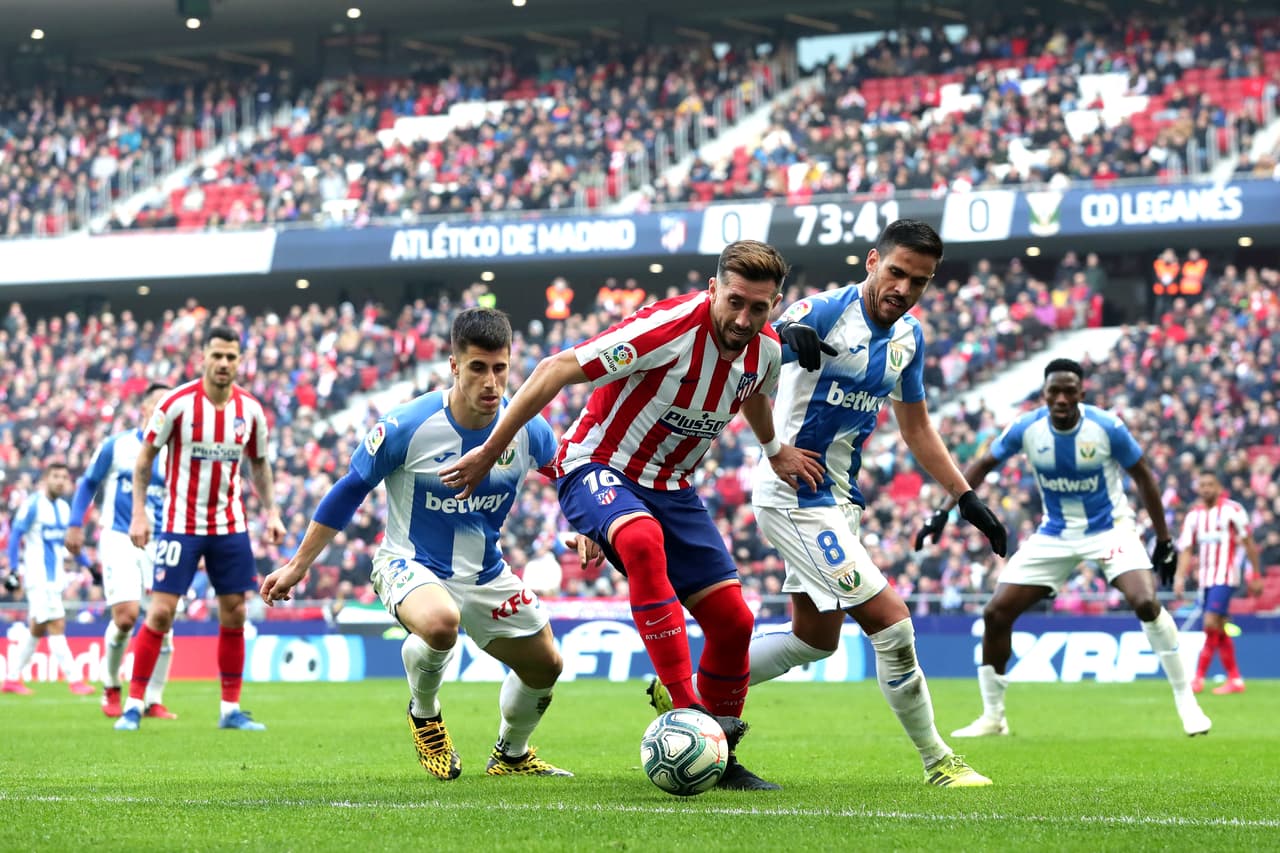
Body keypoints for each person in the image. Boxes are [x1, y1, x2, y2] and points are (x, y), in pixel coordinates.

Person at [441, 240, 824, 791]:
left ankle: (717, 751)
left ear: (775, 304)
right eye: (734, 302)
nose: (743, 319)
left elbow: (754, 392)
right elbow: (554, 368)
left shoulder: (765, 348)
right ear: (714, 289)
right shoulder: (665, 330)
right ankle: (688, 711)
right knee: (642, 540)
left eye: (758, 308)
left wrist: (773, 448)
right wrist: (489, 449)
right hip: (598, 463)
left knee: (735, 622)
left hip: (673, 486)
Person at [726, 220, 1003, 787]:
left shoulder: (909, 339)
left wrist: (965, 496)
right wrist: (780, 340)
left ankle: (684, 684)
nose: (903, 288)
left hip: (839, 500)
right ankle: (938, 761)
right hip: (793, 495)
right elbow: (752, 349)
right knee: (892, 622)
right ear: (873, 260)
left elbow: (918, 428)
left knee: (814, 639)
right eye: (896, 271)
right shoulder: (824, 310)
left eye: (919, 281)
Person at [261, 308, 589, 779]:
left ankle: (511, 754)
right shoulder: (407, 425)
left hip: (484, 573)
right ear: (454, 366)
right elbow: (349, 489)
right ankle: (425, 712)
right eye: (478, 368)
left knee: (546, 667)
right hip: (409, 563)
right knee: (440, 623)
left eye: (500, 368)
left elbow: (565, 478)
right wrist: (297, 565)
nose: (491, 382)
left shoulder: (528, 428)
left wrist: (584, 523)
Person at [923, 358, 1212, 738]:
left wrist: (1164, 539)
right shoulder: (1027, 428)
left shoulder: (1106, 427)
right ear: (1043, 395)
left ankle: (1185, 699)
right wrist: (944, 511)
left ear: (1082, 393)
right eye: (1053, 392)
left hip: (1109, 530)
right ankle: (994, 716)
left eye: (1068, 391)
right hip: (1054, 534)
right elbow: (981, 464)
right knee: (996, 613)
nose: (1060, 399)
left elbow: (1144, 477)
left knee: (1145, 602)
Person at [115, 325, 285, 732]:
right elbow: (144, 459)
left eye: (231, 357)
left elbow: (259, 464)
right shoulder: (176, 404)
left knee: (236, 611)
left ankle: (230, 710)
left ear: (240, 361)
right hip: (179, 524)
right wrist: (139, 513)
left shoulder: (251, 411)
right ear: (203, 357)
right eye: (217, 356)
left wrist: (273, 512)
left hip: (230, 524)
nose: (224, 363)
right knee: (160, 612)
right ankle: (134, 703)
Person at [66, 384, 178, 719]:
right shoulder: (117, 446)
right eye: (157, 405)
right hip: (120, 537)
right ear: (143, 410)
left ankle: (152, 699)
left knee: (164, 622)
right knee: (127, 616)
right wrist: (75, 523)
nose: (163, 412)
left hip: (163, 543)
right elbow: (88, 482)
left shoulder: (177, 453)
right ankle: (112, 685)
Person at [2, 462, 96, 696]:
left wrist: (90, 566)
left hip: (56, 579)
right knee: (57, 624)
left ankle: (12, 679)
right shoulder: (33, 504)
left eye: (64, 477)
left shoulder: (65, 508)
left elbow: (71, 544)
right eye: (55, 476)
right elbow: (15, 536)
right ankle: (75, 681)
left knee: (37, 629)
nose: (60, 480)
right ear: (45, 478)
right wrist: (13, 569)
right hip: (38, 577)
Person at [1174, 470, 1263, 695]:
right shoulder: (1194, 515)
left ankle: (1198, 678)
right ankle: (1235, 679)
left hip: (1226, 576)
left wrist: (1256, 574)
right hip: (1205, 579)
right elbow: (1186, 549)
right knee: (1219, 628)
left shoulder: (1233, 510)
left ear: (1218, 487)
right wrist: (1179, 576)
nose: (1206, 489)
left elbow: (1249, 543)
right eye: (1202, 484)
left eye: (1210, 484)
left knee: (1210, 622)